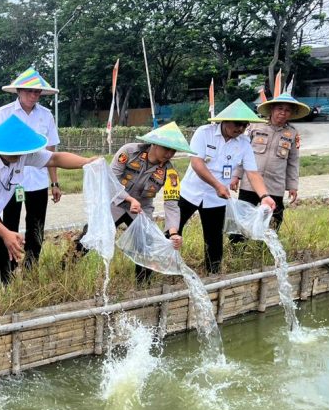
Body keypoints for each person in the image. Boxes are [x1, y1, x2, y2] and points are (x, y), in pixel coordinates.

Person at [0, 114, 99, 319]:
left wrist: (86, 162)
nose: (20, 156)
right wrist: (6, 234)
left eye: (22, 151)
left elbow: (54, 158)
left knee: (0, 258)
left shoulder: (21, 155)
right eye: (15, 152)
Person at [72, 121, 194, 285]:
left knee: (147, 247)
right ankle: (66, 268)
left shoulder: (170, 172)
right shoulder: (129, 152)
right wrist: (128, 199)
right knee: (89, 237)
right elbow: (110, 180)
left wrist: (173, 233)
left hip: (141, 210)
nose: (169, 154)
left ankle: (142, 285)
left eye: (174, 150)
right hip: (114, 203)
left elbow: (172, 203)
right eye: (166, 148)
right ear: (154, 144)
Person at [178, 99, 276, 274]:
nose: (240, 129)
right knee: (173, 231)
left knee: (214, 239)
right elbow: (197, 163)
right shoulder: (204, 133)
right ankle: (152, 272)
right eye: (237, 124)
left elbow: (252, 173)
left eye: (245, 125)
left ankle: (213, 275)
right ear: (225, 121)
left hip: (217, 198)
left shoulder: (244, 143)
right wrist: (217, 185)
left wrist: (264, 196)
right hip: (190, 192)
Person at [0, 68, 60, 268]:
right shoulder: (4, 114)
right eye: (29, 91)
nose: (33, 95)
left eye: (37, 92)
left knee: (36, 226)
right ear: (19, 91)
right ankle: (9, 267)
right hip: (10, 181)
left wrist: (55, 182)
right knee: (9, 224)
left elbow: (51, 151)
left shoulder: (46, 116)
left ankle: (31, 265)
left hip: (37, 180)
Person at [230, 91, 309, 237]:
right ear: (272, 109)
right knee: (243, 216)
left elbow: (293, 161)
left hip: (275, 185)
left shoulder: (292, 133)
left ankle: (265, 246)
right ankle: (237, 245)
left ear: (291, 114)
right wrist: (236, 175)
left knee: (274, 219)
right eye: (280, 109)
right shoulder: (255, 127)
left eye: (287, 110)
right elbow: (242, 153)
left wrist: (293, 186)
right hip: (250, 183)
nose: (283, 113)